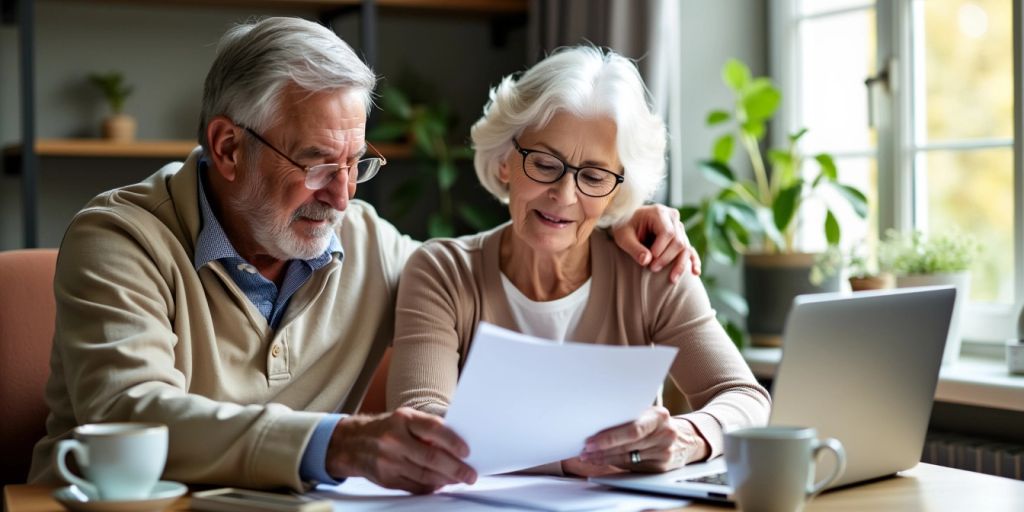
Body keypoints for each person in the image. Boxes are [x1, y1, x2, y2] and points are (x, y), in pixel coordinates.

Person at [28, 18, 699, 494]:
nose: (343, 195)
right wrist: (334, 443)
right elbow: (132, 412)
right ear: (228, 148)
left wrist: (616, 218)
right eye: (318, 161)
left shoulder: (368, 242)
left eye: (358, 163)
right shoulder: (119, 240)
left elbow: (482, 269)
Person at [387, 45, 771, 477]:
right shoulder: (442, 272)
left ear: (616, 192)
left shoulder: (652, 269)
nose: (564, 196)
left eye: (593, 176)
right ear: (505, 164)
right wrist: (574, 458)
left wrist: (689, 437)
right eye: (545, 164)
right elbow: (420, 427)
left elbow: (744, 397)